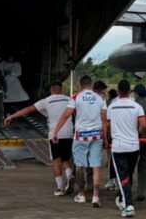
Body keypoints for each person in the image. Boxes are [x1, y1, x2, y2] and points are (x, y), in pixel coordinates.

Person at [6, 82, 76, 196]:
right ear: (61, 89)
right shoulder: (69, 99)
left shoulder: (46, 101)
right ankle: (69, 176)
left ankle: (60, 188)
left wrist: (12, 116)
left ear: (51, 90)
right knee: (66, 159)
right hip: (68, 134)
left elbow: (29, 109)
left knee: (56, 160)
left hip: (54, 134)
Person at [53, 75, 107, 208]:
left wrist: (56, 131)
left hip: (81, 135)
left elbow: (66, 115)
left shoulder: (76, 97)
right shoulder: (100, 98)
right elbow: (104, 119)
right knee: (95, 166)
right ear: (92, 85)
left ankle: (82, 194)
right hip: (96, 135)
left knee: (79, 165)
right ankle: (95, 196)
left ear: (80, 85)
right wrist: (105, 137)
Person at [107, 80, 146, 218]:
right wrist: (136, 133)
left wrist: (107, 139)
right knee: (128, 174)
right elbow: (143, 125)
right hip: (133, 145)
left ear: (118, 91)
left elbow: (107, 125)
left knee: (123, 176)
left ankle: (129, 205)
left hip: (118, 146)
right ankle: (124, 199)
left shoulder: (112, 106)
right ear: (130, 91)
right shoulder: (137, 106)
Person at [133, 83, 146, 202]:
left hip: (133, 139)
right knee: (144, 165)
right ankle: (142, 190)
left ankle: (125, 188)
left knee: (129, 165)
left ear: (136, 94)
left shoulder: (133, 105)